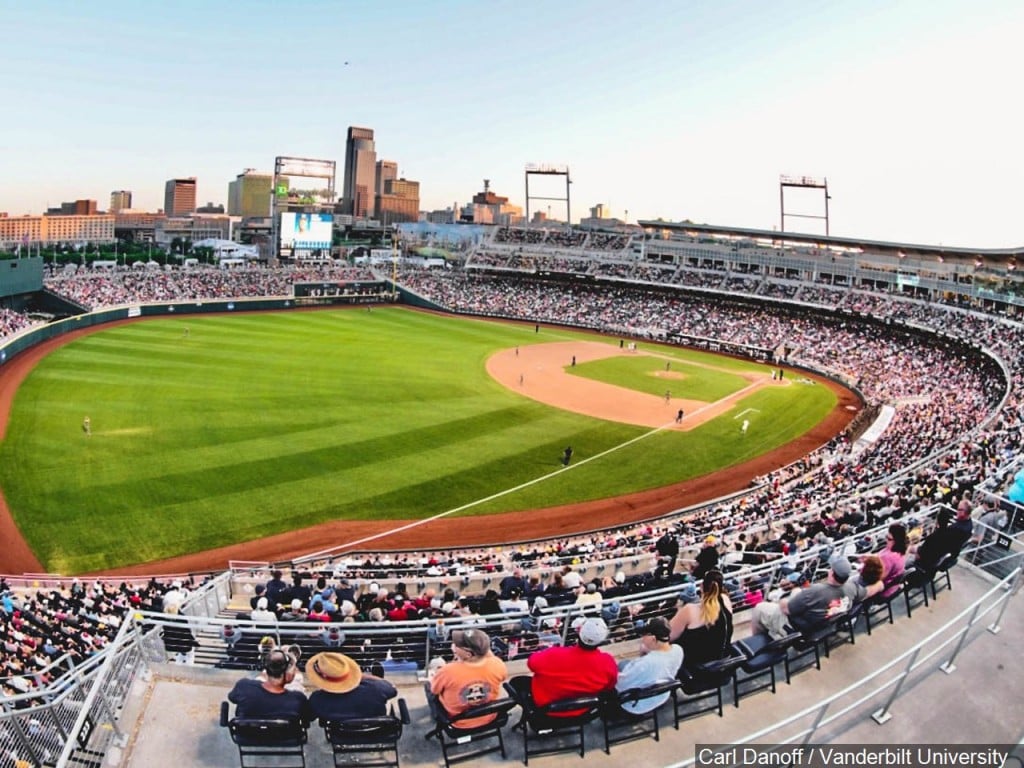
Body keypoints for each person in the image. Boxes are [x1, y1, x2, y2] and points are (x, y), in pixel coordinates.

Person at [749, 555, 883, 640]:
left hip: (796, 627)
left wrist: (782, 601)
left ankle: (759, 640)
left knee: (760, 608)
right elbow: (871, 590)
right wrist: (880, 582)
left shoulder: (815, 591)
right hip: (822, 623)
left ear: (831, 572)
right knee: (796, 591)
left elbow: (786, 609)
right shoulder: (852, 588)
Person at [511, 617, 617, 714]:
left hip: (547, 713)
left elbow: (531, 663)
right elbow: (609, 686)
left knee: (516, 682)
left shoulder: (554, 654)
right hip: (582, 712)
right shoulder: (608, 662)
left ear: (579, 632)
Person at [428, 628, 508, 728]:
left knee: (429, 686)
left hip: (459, 722)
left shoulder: (447, 671)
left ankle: (435, 716)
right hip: (489, 716)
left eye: (457, 645)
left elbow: (435, 690)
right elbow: (502, 676)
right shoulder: (497, 664)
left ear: (468, 654)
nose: (453, 646)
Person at [669, 569, 733, 675]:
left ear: (701, 587)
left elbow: (668, 636)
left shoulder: (689, 610)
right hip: (723, 664)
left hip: (697, 670)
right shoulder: (726, 600)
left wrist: (679, 609)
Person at [614, 617, 683, 714]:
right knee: (624, 664)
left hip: (637, 705)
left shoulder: (645, 663)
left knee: (621, 666)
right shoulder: (678, 650)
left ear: (653, 639)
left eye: (644, 635)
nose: (642, 637)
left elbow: (620, 685)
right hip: (662, 695)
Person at [306, 651, 397, 721]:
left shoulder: (317, 699)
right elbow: (393, 689)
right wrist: (360, 676)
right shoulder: (376, 689)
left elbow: (309, 717)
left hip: (341, 737)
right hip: (376, 732)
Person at [228, 647, 311, 722]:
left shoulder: (244, 686)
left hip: (247, 737)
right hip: (285, 738)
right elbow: (306, 718)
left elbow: (232, 698)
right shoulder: (298, 699)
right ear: (287, 673)